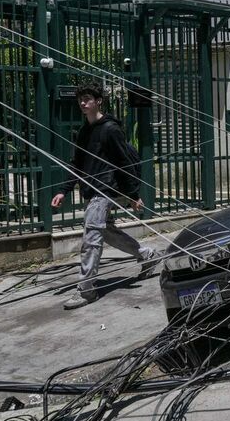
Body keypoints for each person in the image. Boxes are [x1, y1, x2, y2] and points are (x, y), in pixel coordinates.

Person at [51, 83, 157, 310]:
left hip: (106, 189)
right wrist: (63, 190)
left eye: (87, 98)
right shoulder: (84, 131)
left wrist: (133, 194)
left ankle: (86, 290)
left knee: (91, 237)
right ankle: (147, 255)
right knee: (106, 232)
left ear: (98, 101)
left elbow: (123, 162)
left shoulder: (110, 129)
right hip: (92, 190)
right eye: (80, 99)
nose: (83, 103)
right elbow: (76, 164)